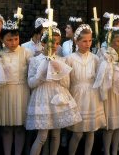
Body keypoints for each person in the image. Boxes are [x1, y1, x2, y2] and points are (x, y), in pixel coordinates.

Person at [26, 27, 82, 155]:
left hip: (57, 97)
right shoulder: (35, 61)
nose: (54, 46)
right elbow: (31, 83)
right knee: (42, 136)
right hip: (42, 97)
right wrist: (41, 75)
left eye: (57, 43)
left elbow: (66, 84)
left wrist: (58, 72)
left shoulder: (61, 60)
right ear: (43, 43)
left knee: (56, 135)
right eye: (51, 42)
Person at [0, 20, 32, 155]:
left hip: (22, 91)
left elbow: (33, 71)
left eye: (16, 39)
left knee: (20, 126)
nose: (13, 43)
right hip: (5, 92)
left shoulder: (26, 53)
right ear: (2, 39)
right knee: (6, 127)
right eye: (9, 40)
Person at [66, 24, 106, 155]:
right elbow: (67, 81)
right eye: (84, 41)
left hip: (92, 96)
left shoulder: (95, 58)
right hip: (77, 96)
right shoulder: (70, 58)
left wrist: (105, 61)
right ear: (76, 41)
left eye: (90, 40)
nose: (88, 43)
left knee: (91, 131)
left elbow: (100, 77)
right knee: (77, 133)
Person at [94, 28, 119, 155]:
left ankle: (114, 151)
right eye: (116, 40)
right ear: (110, 40)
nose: (118, 43)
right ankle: (107, 151)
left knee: (118, 126)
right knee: (110, 126)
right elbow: (100, 71)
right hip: (110, 91)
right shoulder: (104, 52)